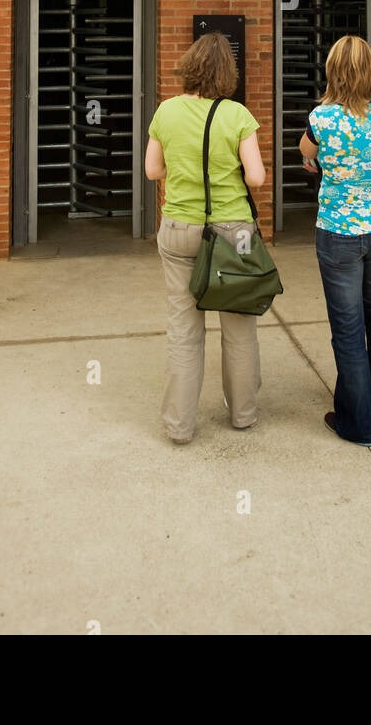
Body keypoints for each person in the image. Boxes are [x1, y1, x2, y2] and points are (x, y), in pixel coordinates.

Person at [145, 33, 267, 444]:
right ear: (227, 73)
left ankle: (180, 426)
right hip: (234, 234)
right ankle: (243, 415)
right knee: (239, 327)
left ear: (190, 65)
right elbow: (256, 177)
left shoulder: (166, 111)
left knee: (184, 327)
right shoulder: (237, 115)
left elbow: (152, 171)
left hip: (179, 228)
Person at [299, 35, 371, 448]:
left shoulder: (321, 117)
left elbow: (307, 154)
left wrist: (321, 163)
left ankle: (358, 423)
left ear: (332, 71)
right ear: (369, 70)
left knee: (347, 328)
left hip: (339, 233)